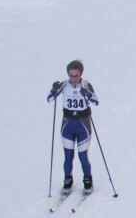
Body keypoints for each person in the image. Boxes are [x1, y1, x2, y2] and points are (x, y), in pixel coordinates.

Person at [47, 60, 99, 195]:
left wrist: (86, 93)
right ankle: (67, 181)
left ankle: (88, 181)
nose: (74, 78)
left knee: (83, 156)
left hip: (83, 126)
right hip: (67, 126)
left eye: (76, 75)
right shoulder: (64, 85)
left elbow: (96, 101)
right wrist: (54, 89)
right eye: (71, 75)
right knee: (68, 156)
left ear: (81, 74)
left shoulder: (86, 84)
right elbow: (49, 99)